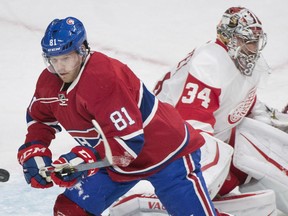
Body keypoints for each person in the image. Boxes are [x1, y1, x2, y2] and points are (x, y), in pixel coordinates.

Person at [17, 17, 224, 216]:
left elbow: (128, 143)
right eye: (53, 60)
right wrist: (35, 150)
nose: (59, 67)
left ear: (82, 51)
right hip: (114, 159)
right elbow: (40, 118)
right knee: (69, 210)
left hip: (167, 154)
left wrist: (81, 160)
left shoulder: (105, 78)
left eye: (66, 58)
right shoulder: (49, 82)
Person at [153, 6, 288, 214]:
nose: (254, 48)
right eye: (248, 41)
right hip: (167, 147)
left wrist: (274, 122)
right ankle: (186, 201)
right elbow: (192, 127)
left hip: (204, 135)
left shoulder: (241, 60)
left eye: (256, 41)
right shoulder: (209, 63)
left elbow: (242, 102)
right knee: (218, 154)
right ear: (228, 38)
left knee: (258, 137)